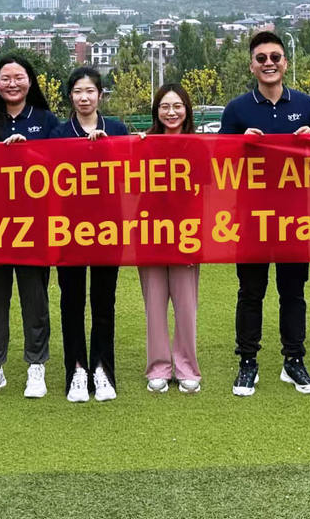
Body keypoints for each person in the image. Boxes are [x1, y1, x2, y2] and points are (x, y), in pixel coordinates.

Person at [219, 30, 310, 397]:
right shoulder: (236, 109)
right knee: (251, 292)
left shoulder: (307, 105)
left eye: (275, 57)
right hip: (250, 217)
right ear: (252, 65)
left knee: (293, 292)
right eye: (261, 58)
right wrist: (239, 144)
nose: (269, 63)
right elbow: (218, 161)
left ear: (285, 62)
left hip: (296, 216)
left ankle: (293, 360)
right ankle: (248, 362)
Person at [0, 54, 59, 401]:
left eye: (18, 77)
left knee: (35, 300)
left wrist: (29, 154)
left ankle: (37, 364)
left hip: (35, 227)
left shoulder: (46, 120)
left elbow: (63, 167)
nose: (12, 84)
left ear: (30, 81)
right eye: (5, 78)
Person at [52, 66, 129, 403]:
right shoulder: (58, 133)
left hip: (108, 228)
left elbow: (130, 172)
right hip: (68, 229)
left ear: (100, 95)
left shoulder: (117, 129)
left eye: (90, 91)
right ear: (70, 96)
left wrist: (107, 147)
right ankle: (77, 371)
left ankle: (102, 369)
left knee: (103, 301)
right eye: (78, 92)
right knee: (71, 301)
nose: (84, 98)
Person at [138, 83, 202, 394]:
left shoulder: (198, 146)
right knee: (154, 304)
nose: (171, 112)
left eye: (177, 106)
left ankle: (187, 367)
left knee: (186, 305)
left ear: (186, 110)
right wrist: (134, 147)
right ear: (157, 111)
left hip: (186, 234)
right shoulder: (143, 144)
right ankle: (158, 368)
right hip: (149, 231)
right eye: (165, 106)